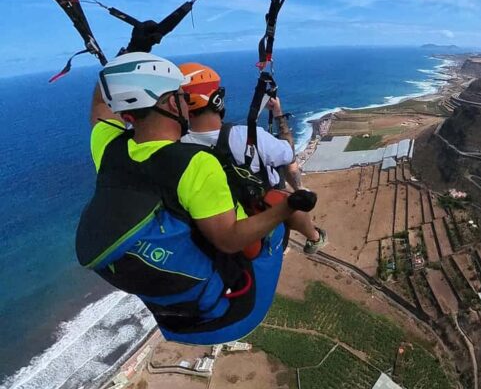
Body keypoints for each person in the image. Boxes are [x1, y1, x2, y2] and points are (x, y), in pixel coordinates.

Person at [75, 52, 317, 345]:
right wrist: (288, 207)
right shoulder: (195, 164)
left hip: (172, 315)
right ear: (169, 103)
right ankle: (313, 236)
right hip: (233, 312)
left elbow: (99, 106)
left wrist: (131, 54)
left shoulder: (109, 147)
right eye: (179, 96)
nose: (185, 104)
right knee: (276, 205)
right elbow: (229, 240)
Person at [178, 62, 327, 254]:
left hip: (211, 219)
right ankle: (314, 237)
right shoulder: (246, 137)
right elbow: (288, 154)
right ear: (216, 100)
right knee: (284, 197)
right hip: (257, 210)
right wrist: (278, 113)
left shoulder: (178, 145)